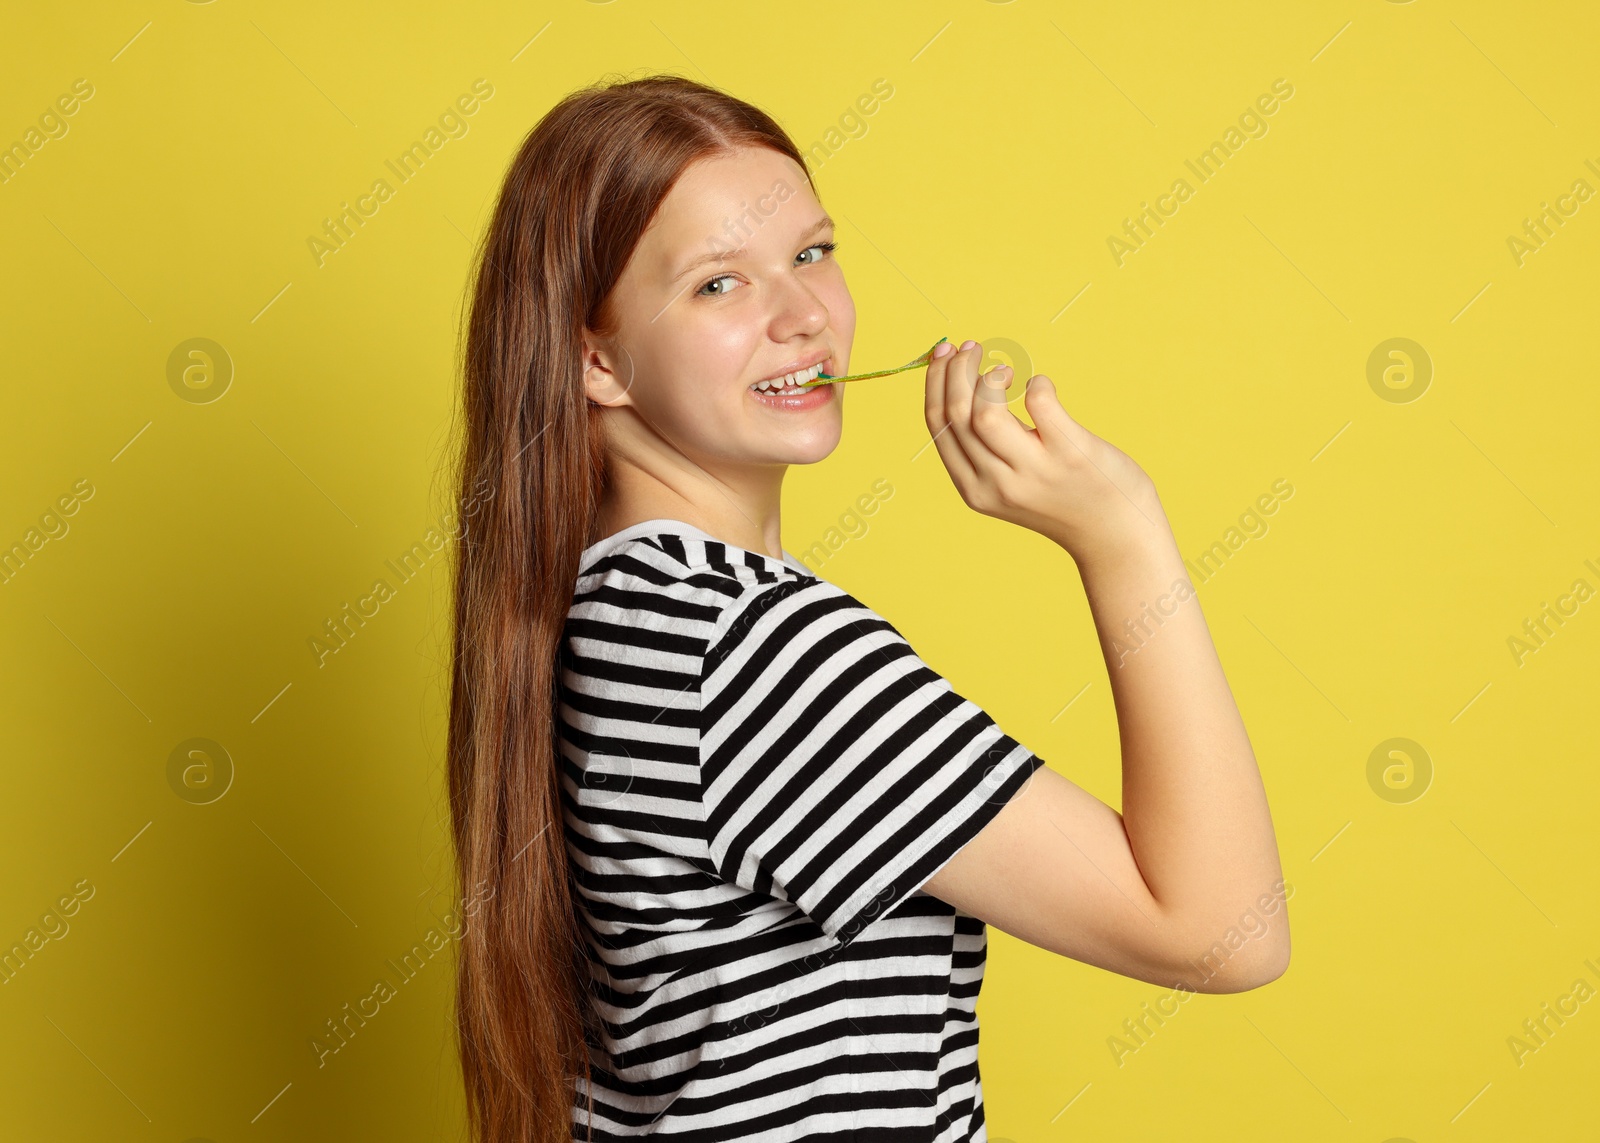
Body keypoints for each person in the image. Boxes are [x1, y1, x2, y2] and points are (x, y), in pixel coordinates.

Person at [445, 73, 1289, 1143]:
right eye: (717, 285)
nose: (802, 318)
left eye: (811, 253)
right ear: (595, 357)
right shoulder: (753, 649)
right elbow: (1224, 932)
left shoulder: (612, 608)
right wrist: (1123, 535)